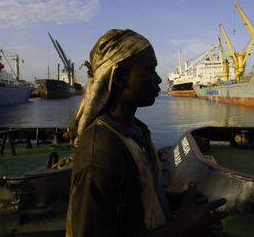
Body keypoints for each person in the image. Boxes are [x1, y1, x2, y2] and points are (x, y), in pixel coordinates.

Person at [66, 29, 226, 237]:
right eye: (151, 70)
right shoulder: (101, 153)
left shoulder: (136, 131)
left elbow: (136, 197)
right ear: (121, 77)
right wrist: (183, 226)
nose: (159, 80)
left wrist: (174, 199)